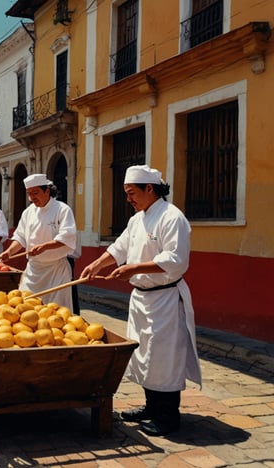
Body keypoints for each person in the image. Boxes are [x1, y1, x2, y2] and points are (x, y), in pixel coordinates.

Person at [79, 164, 201, 437]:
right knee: (144, 355)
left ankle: (168, 417)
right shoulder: (137, 219)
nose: (128, 198)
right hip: (142, 300)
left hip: (166, 300)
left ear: (150, 188)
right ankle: (151, 407)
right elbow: (120, 247)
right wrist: (98, 263)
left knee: (164, 359)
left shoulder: (172, 218)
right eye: (126, 193)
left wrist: (134, 269)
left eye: (131, 192)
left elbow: (176, 260)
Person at [0, 174, 77, 311]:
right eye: (29, 194)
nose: (32, 198)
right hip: (33, 270)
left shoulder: (62, 209)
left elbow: (67, 237)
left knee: (55, 313)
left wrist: (45, 246)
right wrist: (9, 252)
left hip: (55, 271)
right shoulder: (28, 212)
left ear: (47, 191)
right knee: (26, 308)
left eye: (35, 193)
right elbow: (20, 237)